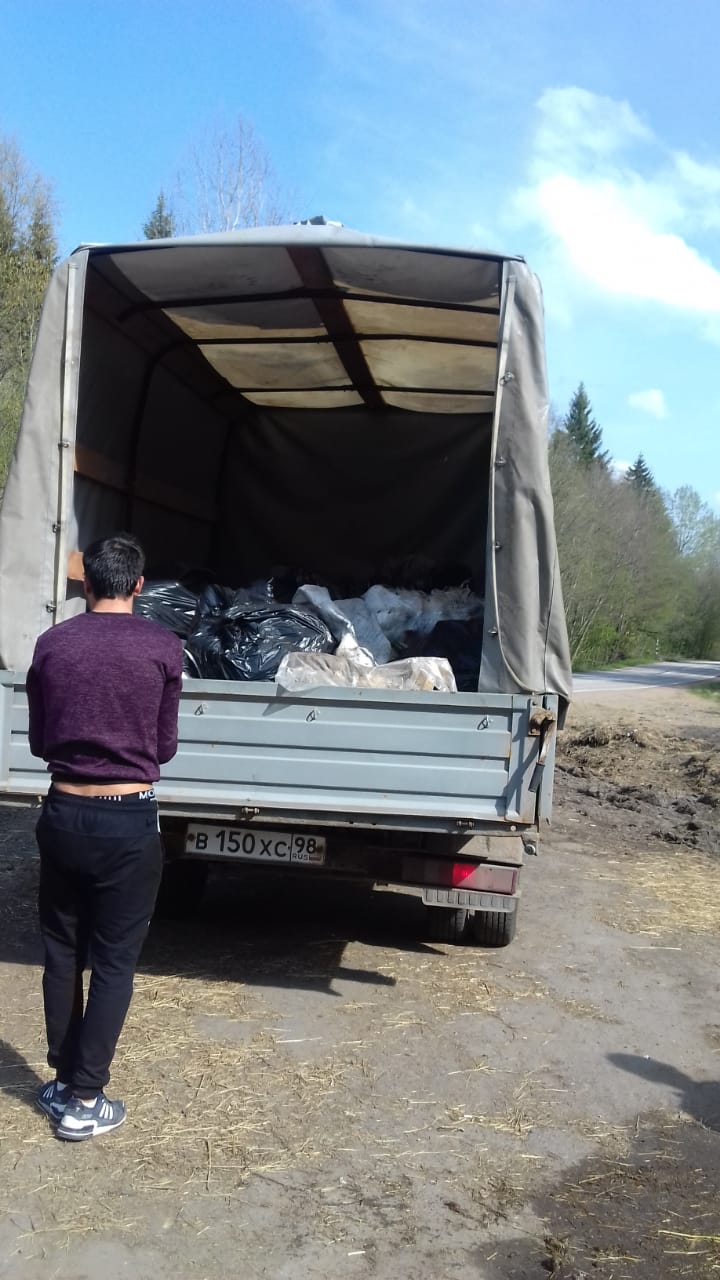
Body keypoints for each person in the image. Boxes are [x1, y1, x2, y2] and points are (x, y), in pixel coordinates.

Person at [26, 532, 183, 1141]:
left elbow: (40, 741)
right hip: (128, 817)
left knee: (62, 950)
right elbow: (163, 747)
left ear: (85, 581)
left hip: (64, 812)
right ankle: (86, 1099)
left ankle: (64, 1079)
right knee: (114, 962)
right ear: (139, 585)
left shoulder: (53, 644)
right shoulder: (163, 646)